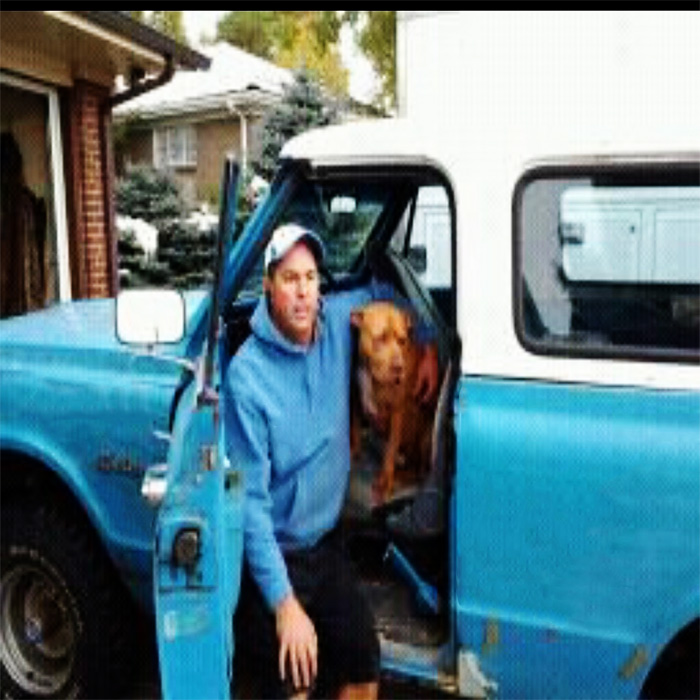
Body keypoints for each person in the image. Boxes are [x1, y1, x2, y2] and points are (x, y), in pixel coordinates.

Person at [223, 223, 438, 699]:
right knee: (296, 679)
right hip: (278, 555)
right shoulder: (247, 379)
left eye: (310, 277)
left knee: (363, 669)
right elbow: (250, 505)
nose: (303, 292)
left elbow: (385, 291)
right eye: (289, 279)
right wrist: (284, 605)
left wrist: (424, 344)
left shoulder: (340, 320)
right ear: (269, 286)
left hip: (327, 545)